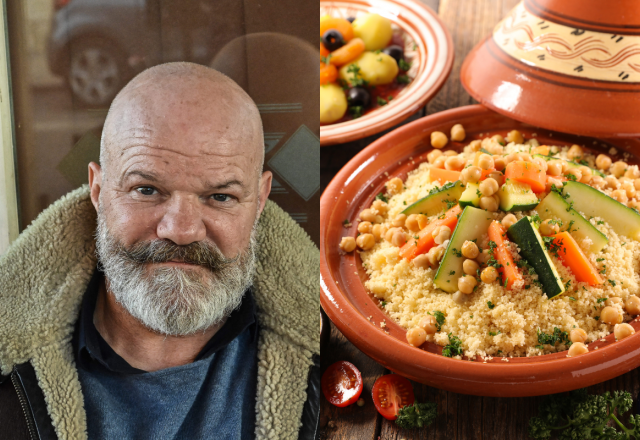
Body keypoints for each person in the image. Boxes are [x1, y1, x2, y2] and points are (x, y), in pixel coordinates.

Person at [0, 62, 319, 440]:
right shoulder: (11, 369)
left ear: (260, 200)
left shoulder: (327, 347)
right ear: (98, 191)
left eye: (219, 196)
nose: (181, 231)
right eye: (147, 190)